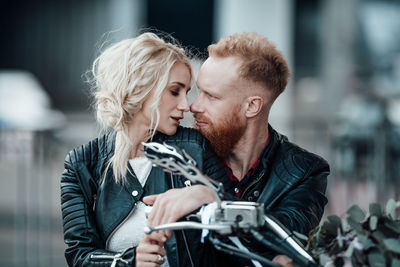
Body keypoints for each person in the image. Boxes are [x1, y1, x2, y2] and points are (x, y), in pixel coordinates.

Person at [144, 32, 329, 267]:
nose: (194, 106)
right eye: (199, 91)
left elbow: (285, 237)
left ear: (252, 106)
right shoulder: (177, 152)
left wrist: (213, 198)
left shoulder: (304, 171)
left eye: (211, 96)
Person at [60, 32, 229, 267]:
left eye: (186, 93)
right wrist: (130, 261)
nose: (185, 106)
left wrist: (208, 194)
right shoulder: (82, 164)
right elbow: (79, 256)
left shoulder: (195, 147)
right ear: (141, 87)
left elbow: (238, 224)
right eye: (174, 91)